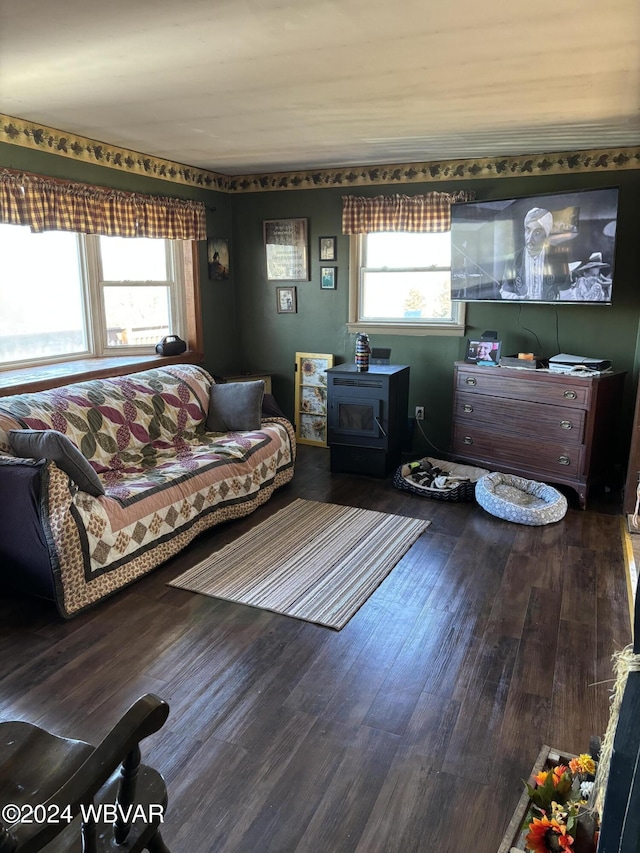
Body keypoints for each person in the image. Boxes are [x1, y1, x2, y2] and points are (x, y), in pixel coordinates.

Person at [500, 207, 569, 301]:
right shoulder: (513, 259)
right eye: (528, 230)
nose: (529, 238)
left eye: (537, 233)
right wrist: (519, 300)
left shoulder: (558, 257)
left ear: (545, 236)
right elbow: (505, 292)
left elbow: (567, 291)